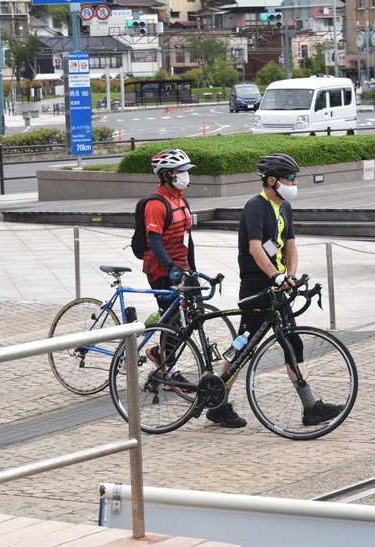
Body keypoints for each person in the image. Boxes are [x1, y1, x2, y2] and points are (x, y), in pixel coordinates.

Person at [208, 153, 344, 429]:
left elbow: (290, 244)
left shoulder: (284, 207)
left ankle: (310, 407)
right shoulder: (255, 207)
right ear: (272, 181)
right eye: (290, 178)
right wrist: (274, 275)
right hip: (256, 286)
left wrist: (289, 276)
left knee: (293, 342)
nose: (295, 182)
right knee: (244, 345)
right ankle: (217, 402)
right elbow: (255, 247)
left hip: (276, 287)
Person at [142, 148, 196, 310]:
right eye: (181, 171)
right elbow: (154, 240)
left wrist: (192, 269)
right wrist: (170, 266)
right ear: (166, 176)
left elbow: (188, 238)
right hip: (162, 272)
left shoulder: (181, 200)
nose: (185, 175)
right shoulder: (156, 204)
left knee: (189, 317)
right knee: (172, 323)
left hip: (182, 267)